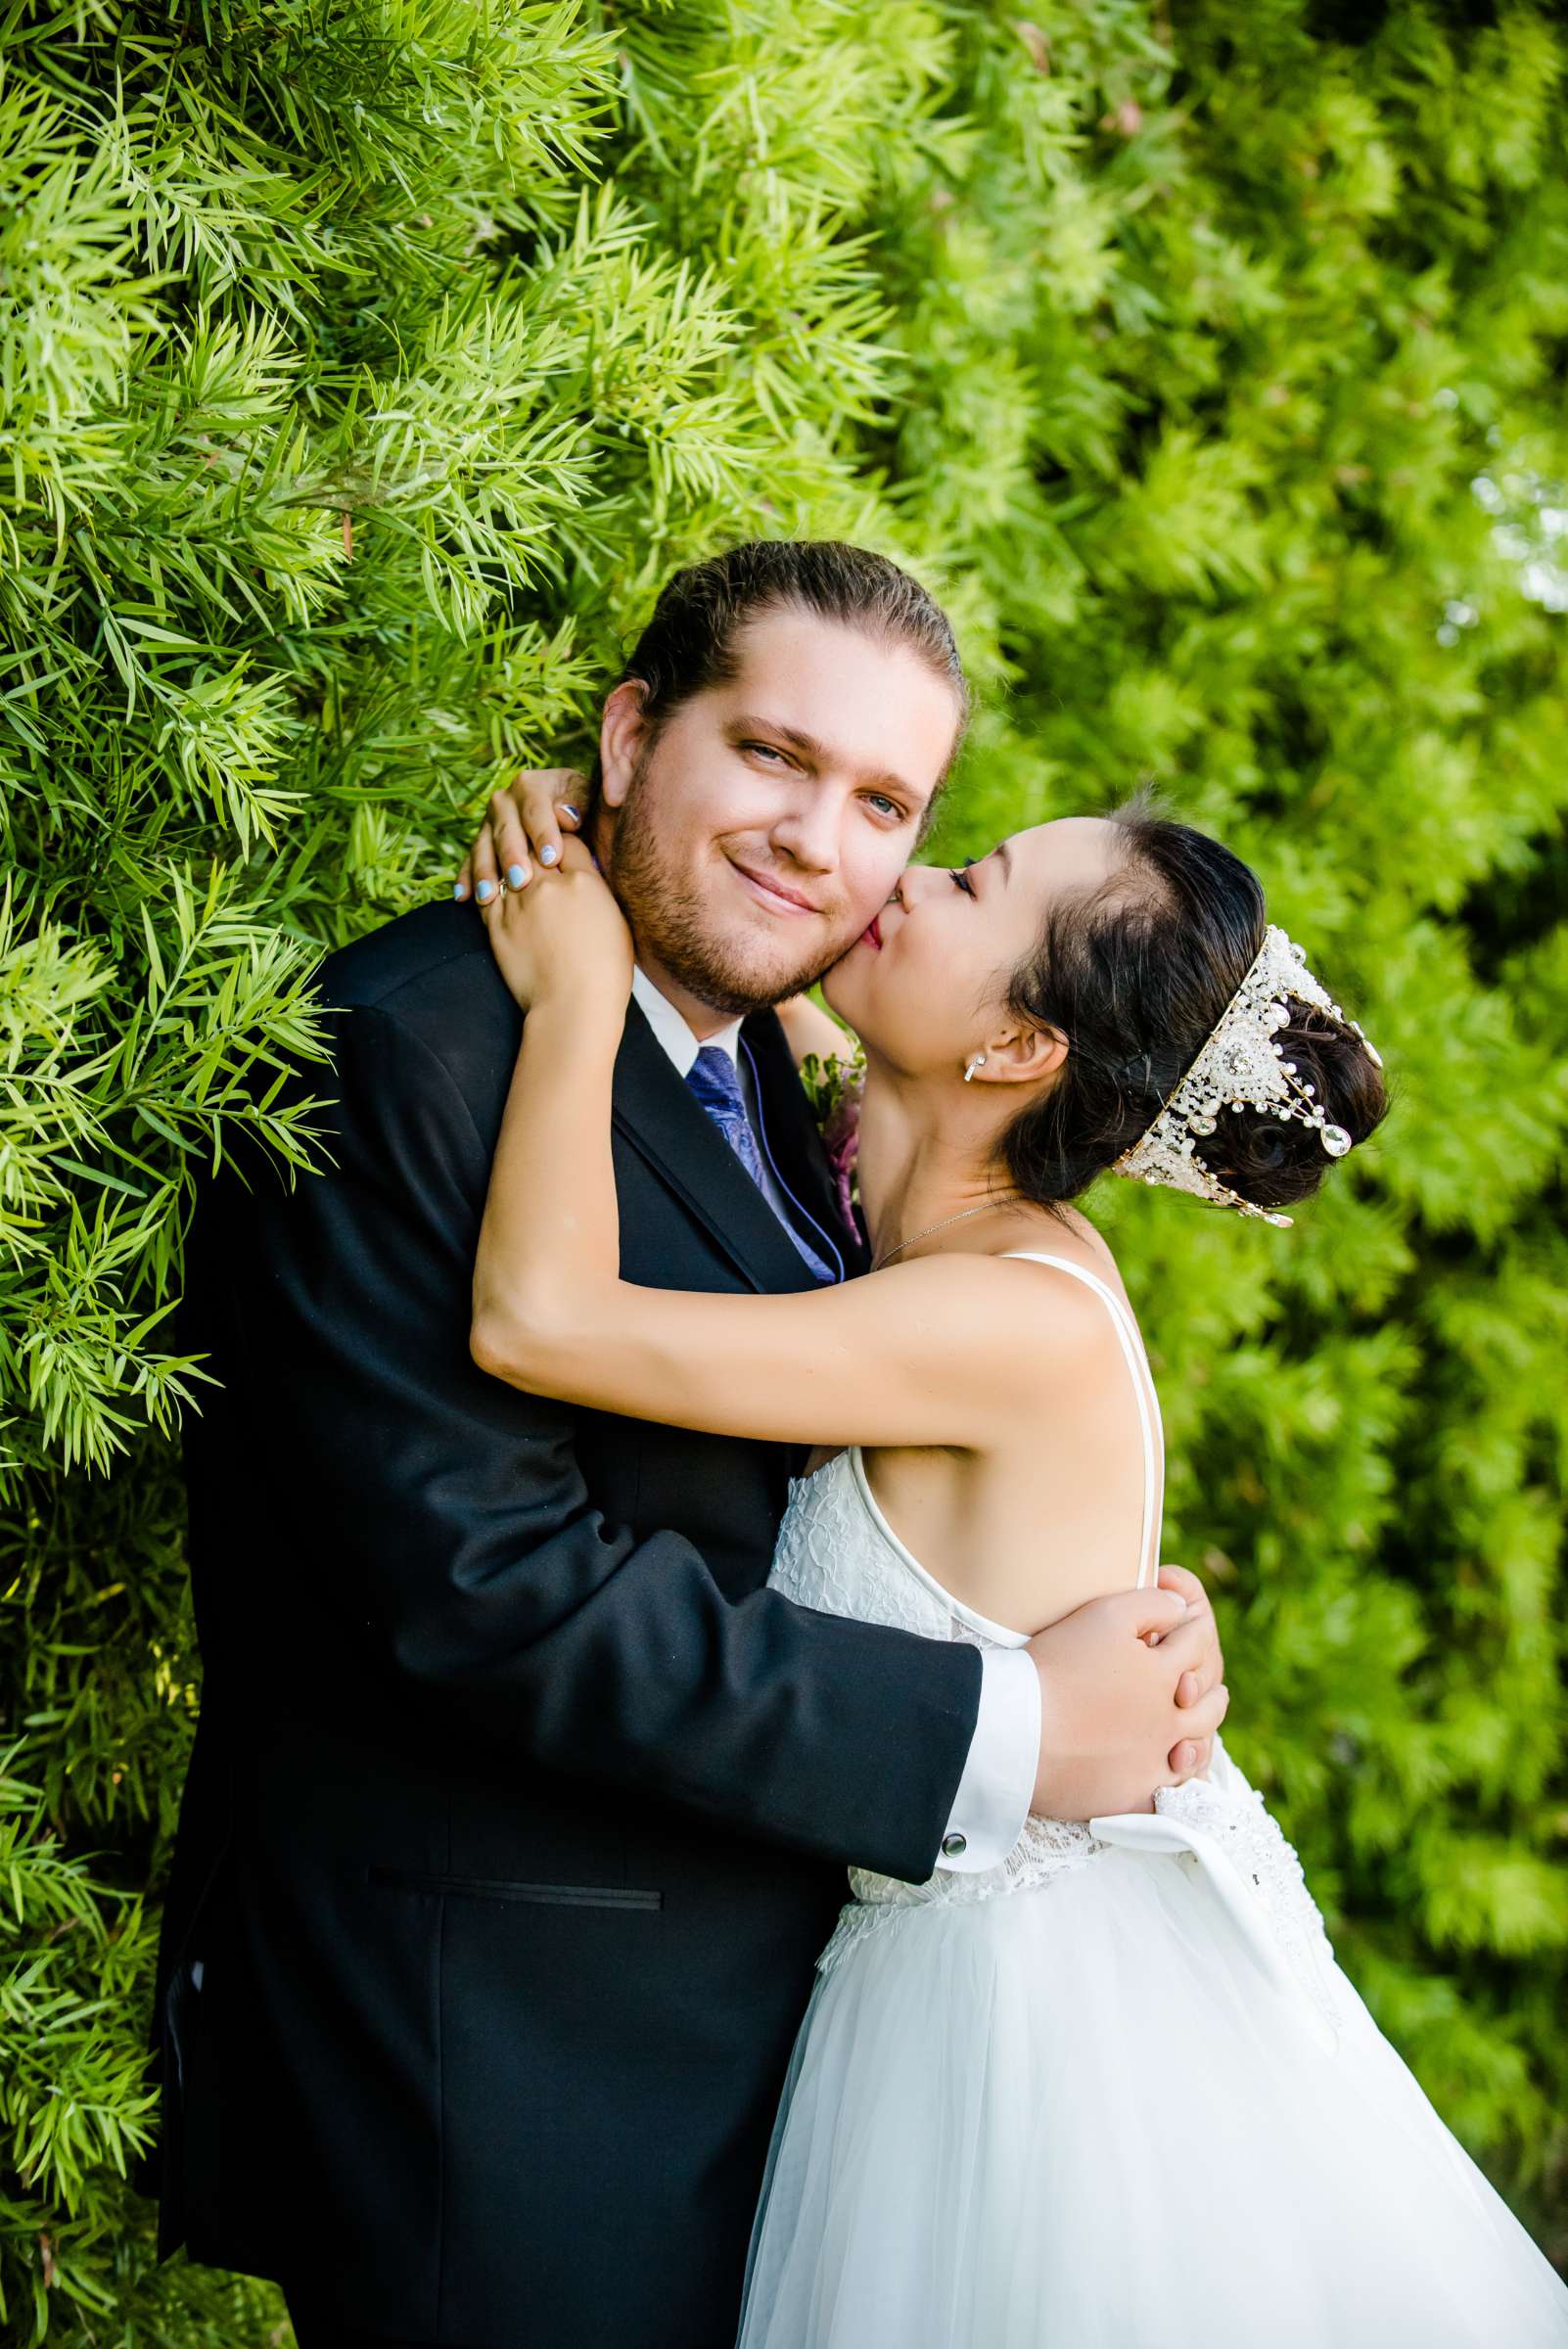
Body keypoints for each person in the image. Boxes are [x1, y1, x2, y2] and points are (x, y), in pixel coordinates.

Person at [143, 542, 1227, 2349]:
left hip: (753, 2063)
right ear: (633, 733)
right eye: (772, 757)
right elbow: (489, 1596)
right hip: (498, 2063)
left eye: (889, 805)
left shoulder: (779, 1092)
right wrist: (1011, 1724)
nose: (820, 841)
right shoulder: (404, 1053)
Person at [467, 779, 1568, 2347]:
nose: (902, 879)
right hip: (914, 1982)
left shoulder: (1005, 1315)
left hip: (1029, 2044)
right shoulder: (893, 1186)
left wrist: (574, 992)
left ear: (1013, 1051)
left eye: (970, 884)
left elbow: (538, 1324)